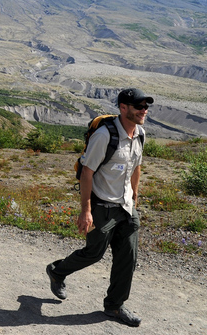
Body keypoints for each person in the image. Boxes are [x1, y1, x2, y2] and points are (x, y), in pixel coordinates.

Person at [45, 88, 152, 328]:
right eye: (139, 106)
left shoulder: (140, 134)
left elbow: (136, 166)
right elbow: (87, 173)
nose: (144, 110)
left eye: (146, 106)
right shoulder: (104, 136)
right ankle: (57, 271)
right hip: (102, 205)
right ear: (123, 108)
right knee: (94, 253)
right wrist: (86, 210)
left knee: (128, 257)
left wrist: (135, 194)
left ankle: (114, 306)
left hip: (126, 206)